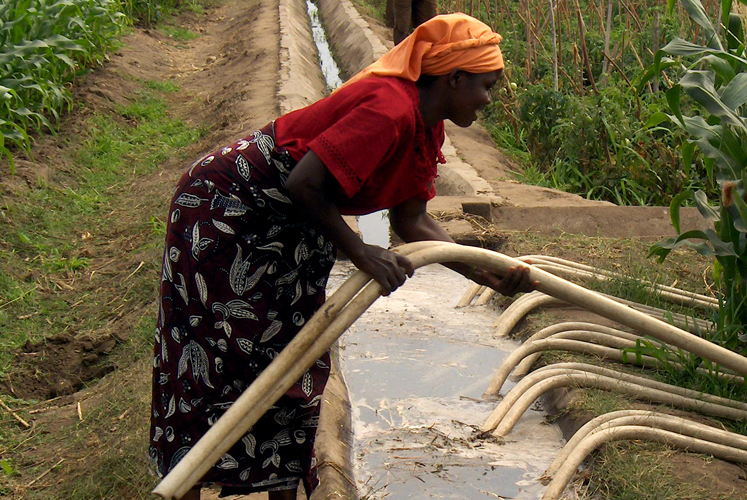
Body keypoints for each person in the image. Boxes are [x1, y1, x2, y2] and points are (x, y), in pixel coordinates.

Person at [149, 14, 531, 500]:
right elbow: (303, 182)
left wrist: (486, 272)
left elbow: (412, 222)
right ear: (454, 78)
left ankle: (281, 488)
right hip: (228, 210)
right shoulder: (389, 109)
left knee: (294, 356)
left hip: (294, 222)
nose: (488, 100)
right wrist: (360, 250)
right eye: (487, 86)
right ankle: (185, 483)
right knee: (218, 354)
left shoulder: (426, 127)